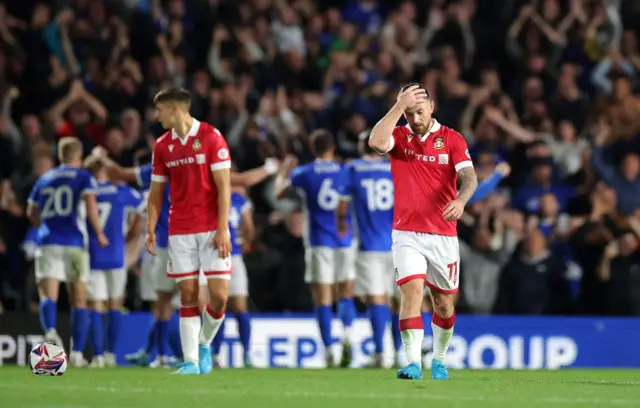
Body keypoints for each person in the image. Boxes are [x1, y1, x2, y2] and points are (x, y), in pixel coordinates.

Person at [93, 148, 278, 367]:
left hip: (166, 245)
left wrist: (101, 156)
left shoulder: (153, 171)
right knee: (197, 302)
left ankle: (163, 355)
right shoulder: (200, 171)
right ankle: (200, 353)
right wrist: (269, 168)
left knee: (162, 302)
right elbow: (244, 179)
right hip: (190, 244)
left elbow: (118, 174)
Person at [368, 84, 478, 380]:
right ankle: (413, 363)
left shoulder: (452, 139)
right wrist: (397, 107)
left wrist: (461, 200)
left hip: (443, 232)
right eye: (409, 113)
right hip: (406, 233)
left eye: (419, 111)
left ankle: (439, 359)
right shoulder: (399, 137)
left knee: (443, 303)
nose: (414, 119)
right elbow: (376, 142)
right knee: (412, 293)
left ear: (431, 107)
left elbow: (469, 176)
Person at [147, 87, 232, 375]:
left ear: (174, 109)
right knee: (188, 296)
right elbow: (156, 192)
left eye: (159, 110)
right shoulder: (162, 146)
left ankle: (204, 342)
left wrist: (223, 228)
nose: (156, 116)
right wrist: (150, 229)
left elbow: (224, 187)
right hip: (180, 229)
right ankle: (191, 362)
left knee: (219, 297)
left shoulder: (211, 137)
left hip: (211, 229)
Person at [274, 131, 357, 368]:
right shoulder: (345, 171)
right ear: (333, 147)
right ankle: (348, 336)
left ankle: (330, 349)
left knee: (323, 298)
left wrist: (283, 173)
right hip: (345, 239)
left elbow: (279, 193)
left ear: (312, 149)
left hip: (319, 242)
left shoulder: (303, 173)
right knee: (346, 293)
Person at [26, 137, 109, 367]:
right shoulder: (83, 176)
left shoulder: (45, 179)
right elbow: (90, 203)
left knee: (48, 296)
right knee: (79, 299)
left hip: (48, 242)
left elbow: (31, 211)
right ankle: (77, 354)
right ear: (79, 156)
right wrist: (99, 232)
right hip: (74, 243)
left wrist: (42, 226)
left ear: (60, 156)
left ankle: (51, 331)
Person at [336, 131, 394, 368]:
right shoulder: (395, 167)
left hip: (369, 245)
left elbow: (341, 207)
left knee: (376, 299)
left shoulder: (354, 168)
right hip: (398, 242)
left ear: (362, 148)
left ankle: (381, 354)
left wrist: (341, 224)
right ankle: (406, 354)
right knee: (400, 302)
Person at [84, 156, 144, 368]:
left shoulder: (84, 193)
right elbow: (144, 205)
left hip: (92, 255)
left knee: (95, 306)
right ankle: (110, 353)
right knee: (115, 305)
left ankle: (97, 355)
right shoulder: (120, 192)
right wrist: (130, 235)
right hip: (116, 255)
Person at [207, 187, 255, 368]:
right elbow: (249, 228)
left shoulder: (207, 197)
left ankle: (216, 355)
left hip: (217, 257)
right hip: (231, 256)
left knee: (220, 307)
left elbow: (249, 228)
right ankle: (246, 355)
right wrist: (244, 244)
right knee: (238, 307)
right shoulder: (237, 198)